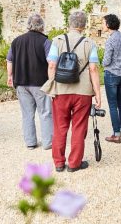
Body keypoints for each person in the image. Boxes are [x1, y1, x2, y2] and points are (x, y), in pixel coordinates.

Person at [42, 11, 103, 173]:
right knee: (79, 127)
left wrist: (52, 86)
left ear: (69, 24)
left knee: (60, 127)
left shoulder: (57, 41)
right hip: (82, 92)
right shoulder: (90, 43)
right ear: (84, 26)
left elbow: (52, 65)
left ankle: (59, 163)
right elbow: (93, 69)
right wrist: (97, 93)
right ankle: (74, 163)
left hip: (61, 90)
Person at [6, 13, 53, 150]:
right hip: (40, 82)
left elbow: (9, 60)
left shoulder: (16, 41)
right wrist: (52, 81)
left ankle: (30, 142)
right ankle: (47, 142)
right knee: (45, 112)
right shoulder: (45, 42)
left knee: (27, 114)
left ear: (28, 25)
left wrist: (10, 76)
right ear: (42, 26)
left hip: (21, 81)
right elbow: (51, 63)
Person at [101, 14, 121, 143]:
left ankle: (116, 134)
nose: (102, 25)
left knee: (112, 105)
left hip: (112, 74)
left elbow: (107, 60)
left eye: (103, 23)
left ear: (108, 24)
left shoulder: (110, 40)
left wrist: (102, 63)